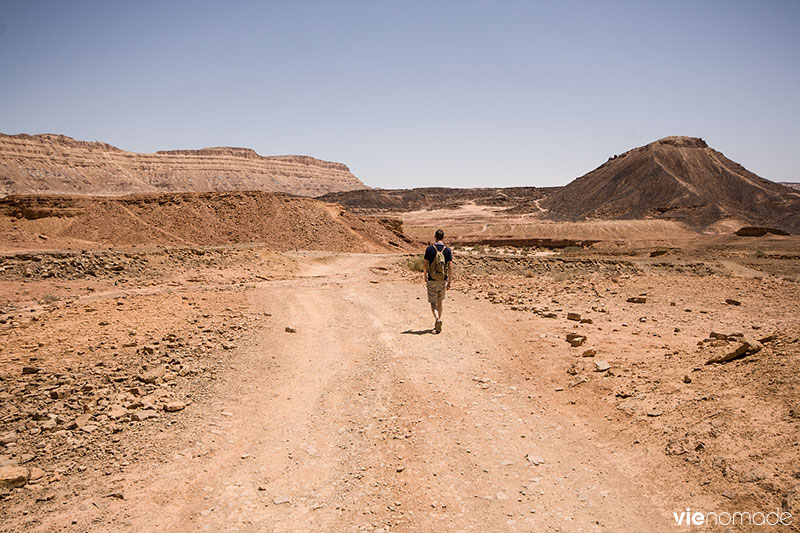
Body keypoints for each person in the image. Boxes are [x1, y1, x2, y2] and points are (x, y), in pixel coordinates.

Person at [423, 229, 453, 333]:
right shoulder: (447, 250)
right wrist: (449, 281)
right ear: (443, 237)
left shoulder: (429, 249)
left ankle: (437, 319)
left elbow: (425, 265)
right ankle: (439, 320)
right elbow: (450, 267)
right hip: (442, 279)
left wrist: (425, 276)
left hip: (432, 278)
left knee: (433, 302)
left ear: (435, 237)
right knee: (440, 302)